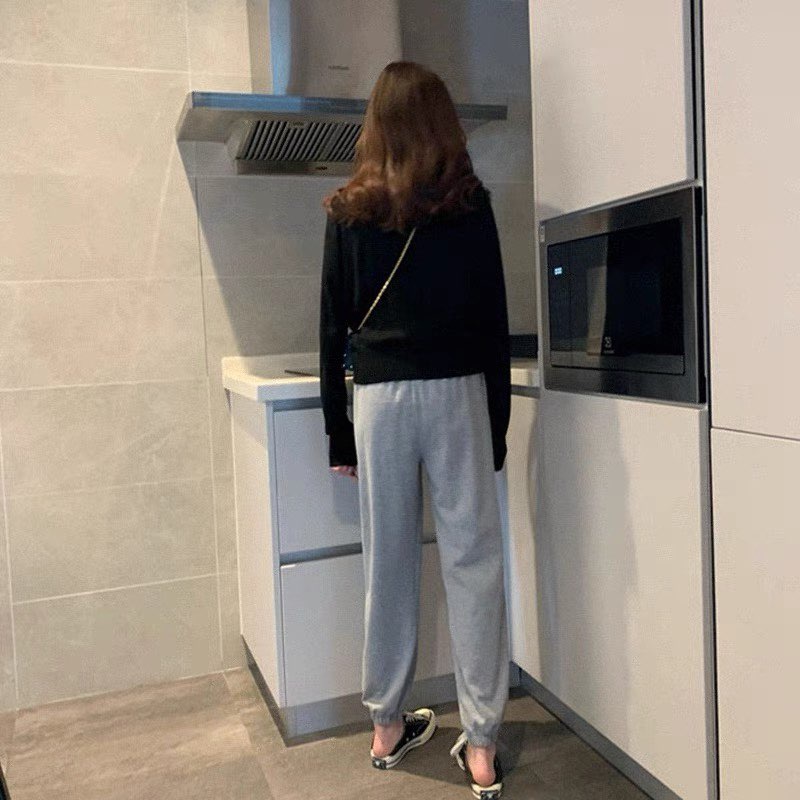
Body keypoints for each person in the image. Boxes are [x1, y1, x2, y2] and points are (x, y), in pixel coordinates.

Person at [319, 61, 510, 800]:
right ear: (442, 122)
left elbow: (331, 328)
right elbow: (492, 322)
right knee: (473, 562)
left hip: (380, 399)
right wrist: (496, 421)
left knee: (388, 562)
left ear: (376, 124)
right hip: (458, 391)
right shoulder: (470, 204)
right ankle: (482, 744)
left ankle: (386, 726)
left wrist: (338, 432)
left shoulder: (347, 211)